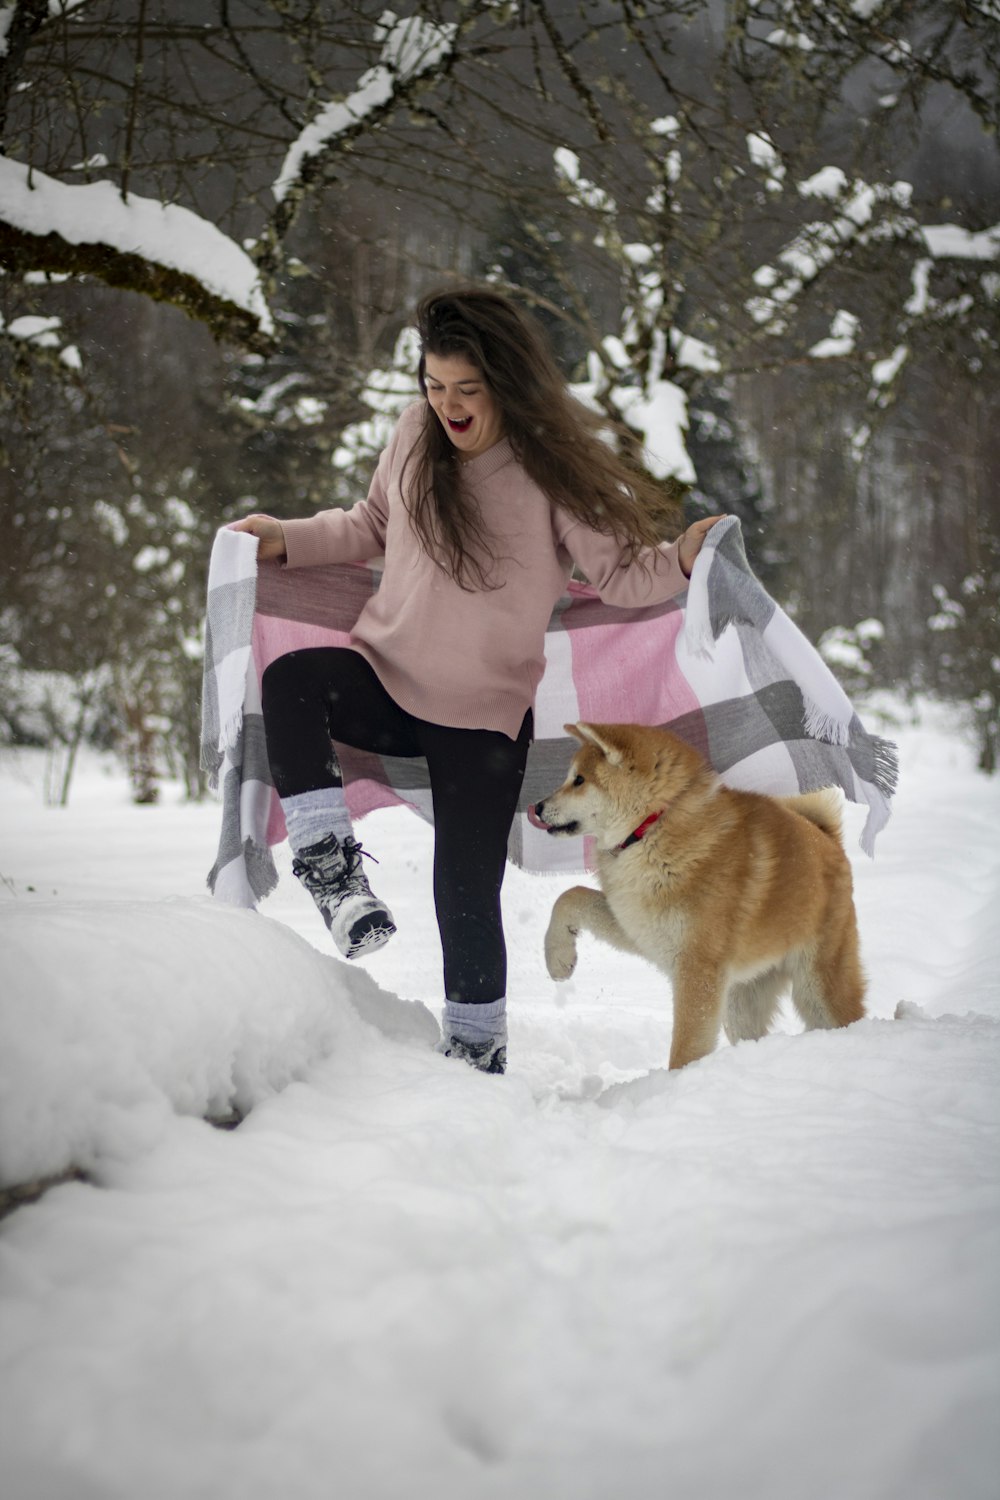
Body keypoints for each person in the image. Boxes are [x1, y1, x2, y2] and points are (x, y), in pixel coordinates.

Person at [232, 285, 722, 1074]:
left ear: (504, 384)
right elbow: (370, 526)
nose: (448, 406)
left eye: (466, 389)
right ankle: (334, 875)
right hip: (384, 679)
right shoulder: (412, 434)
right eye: (433, 385)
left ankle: (477, 1051)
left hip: (484, 719)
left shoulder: (548, 470)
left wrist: (685, 559)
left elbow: (623, 575)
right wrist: (283, 539)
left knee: (466, 892)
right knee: (292, 678)